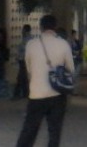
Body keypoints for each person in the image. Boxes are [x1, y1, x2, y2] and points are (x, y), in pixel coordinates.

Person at [15, 14, 74, 147]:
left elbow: (29, 68)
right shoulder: (63, 44)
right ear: (55, 27)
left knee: (29, 130)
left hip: (36, 93)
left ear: (41, 27)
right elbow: (70, 68)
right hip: (57, 94)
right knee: (54, 132)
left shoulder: (31, 44)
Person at [13, 24, 32, 100]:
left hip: (25, 61)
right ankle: (25, 93)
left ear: (26, 31)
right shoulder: (25, 39)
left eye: (23, 30)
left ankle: (17, 94)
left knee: (20, 77)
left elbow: (25, 51)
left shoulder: (29, 40)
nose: (22, 32)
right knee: (23, 78)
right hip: (22, 60)